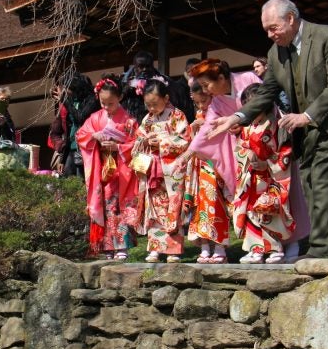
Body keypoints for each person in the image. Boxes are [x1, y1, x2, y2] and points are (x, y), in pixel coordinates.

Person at [209, 0, 328, 258]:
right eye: (266, 30)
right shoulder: (276, 53)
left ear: (291, 18)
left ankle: (318, 250)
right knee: (311, 184)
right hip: (307, 131)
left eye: (273, 27)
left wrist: (307, 116)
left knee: (324, 183)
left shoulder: (327, 36)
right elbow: (266, 92)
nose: (270, 34)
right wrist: (237, 117)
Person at [177, 58, 261, 263]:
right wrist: (189, 152)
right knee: (247, 197)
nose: (205, 91)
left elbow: (265, 105)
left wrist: (241, 122)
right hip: (241, 152)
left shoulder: (249, 78)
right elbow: (208, 129)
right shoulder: (217, 100)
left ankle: (284, 244)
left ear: (222, 77)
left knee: (269, 196)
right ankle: (257, 246)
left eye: (207, 85)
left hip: (263, 145)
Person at [76, 75, 139, 260]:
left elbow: (137, 144)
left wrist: (118, 147)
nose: (106, 107)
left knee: (119, 206)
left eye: (110, 103)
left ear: (119, 98)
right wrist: (94, 136)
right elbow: (81, 135)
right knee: (105, 206)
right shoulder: (95, 118)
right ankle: (106, 246)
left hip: (122, 170)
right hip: (102, 168)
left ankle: (121, 246)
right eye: (103, 103)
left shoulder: (129, 121)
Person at [233, 84, 295, 264]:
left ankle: (275, 248)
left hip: (270, 177)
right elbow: (240, 148)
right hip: (251, 177)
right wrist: (248, 156)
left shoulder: (275, 124)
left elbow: (284, 151)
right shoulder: (247, 127)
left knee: (269, 210)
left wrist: (266, 162)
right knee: (252, 211)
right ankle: (256, 249)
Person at [132, 79, 191, 263]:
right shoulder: (147, 120)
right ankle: (156, 249)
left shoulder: (177, 115)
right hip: (153, 169)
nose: (151, 109)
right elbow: (138, 141)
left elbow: (185, 140)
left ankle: (173, 250)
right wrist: (145, 141)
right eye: (148, 105)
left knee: (172, 208)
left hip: (172, 170)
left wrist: (163, 142)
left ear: (166, 98)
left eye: (155, 104)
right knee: (155, 209)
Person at [183, 83, 232, 264]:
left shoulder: (221, 112)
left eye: (204, 101)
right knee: (200, 205)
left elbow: (227, 134)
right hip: (199, 165)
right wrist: (194, 128)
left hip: (215, 163)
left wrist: (207, 125)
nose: (202, 106)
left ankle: (219, 247)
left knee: (216, 203)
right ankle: (204, 247)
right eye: (198, 103)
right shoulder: (198, 114)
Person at [121, 51, 194, 122]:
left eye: (148, 66)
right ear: (135, 67)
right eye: (141, 66)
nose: (144, 70)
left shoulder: (165, 83)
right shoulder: (126, 84)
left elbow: (177, 102)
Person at [49, 73, 98, 178]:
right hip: (71, 148)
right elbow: (68, 130)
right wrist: (62, 158)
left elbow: (80, 117)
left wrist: (65, 101)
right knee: (69, 181)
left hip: (87, 148)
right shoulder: (71, 100)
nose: (66, 90)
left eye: (68, 88)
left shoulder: (92, 100)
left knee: (84, 181)